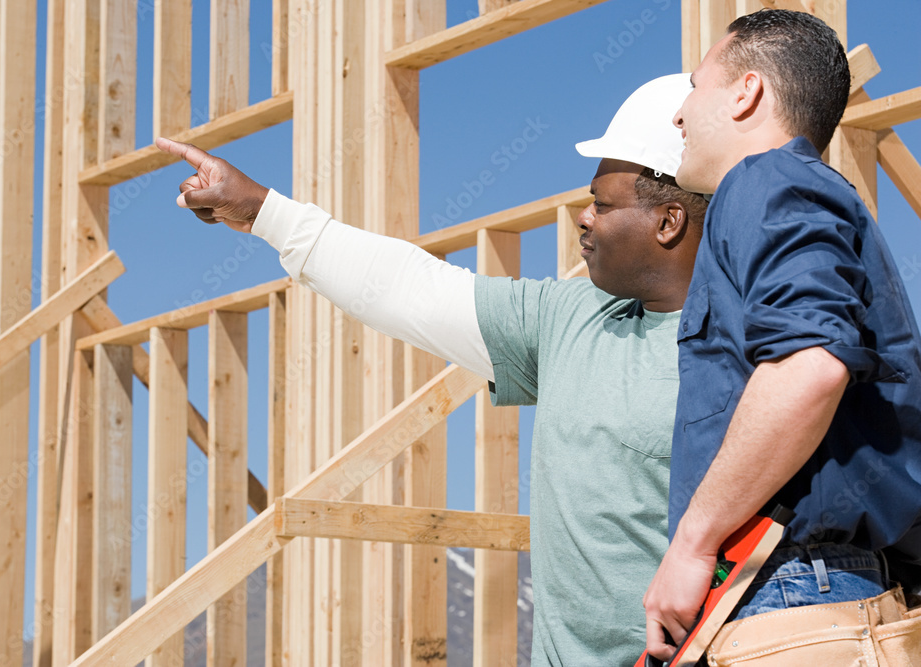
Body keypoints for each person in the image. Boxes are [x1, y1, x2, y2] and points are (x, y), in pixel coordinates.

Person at [157, 74, 708, 665]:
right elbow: (408, 288)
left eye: (601, 203)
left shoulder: (754, 349)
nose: (583, 217)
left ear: (668, 221)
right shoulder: (570, 318)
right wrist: (263, 210)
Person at [643, 9, 921, 663]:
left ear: (746, 92)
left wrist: (691, 543)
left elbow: (808, 366)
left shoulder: (766, 180)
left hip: (793, 591)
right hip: (817, 589)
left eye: (695, 84)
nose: (679, 115)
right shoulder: (804, 194)